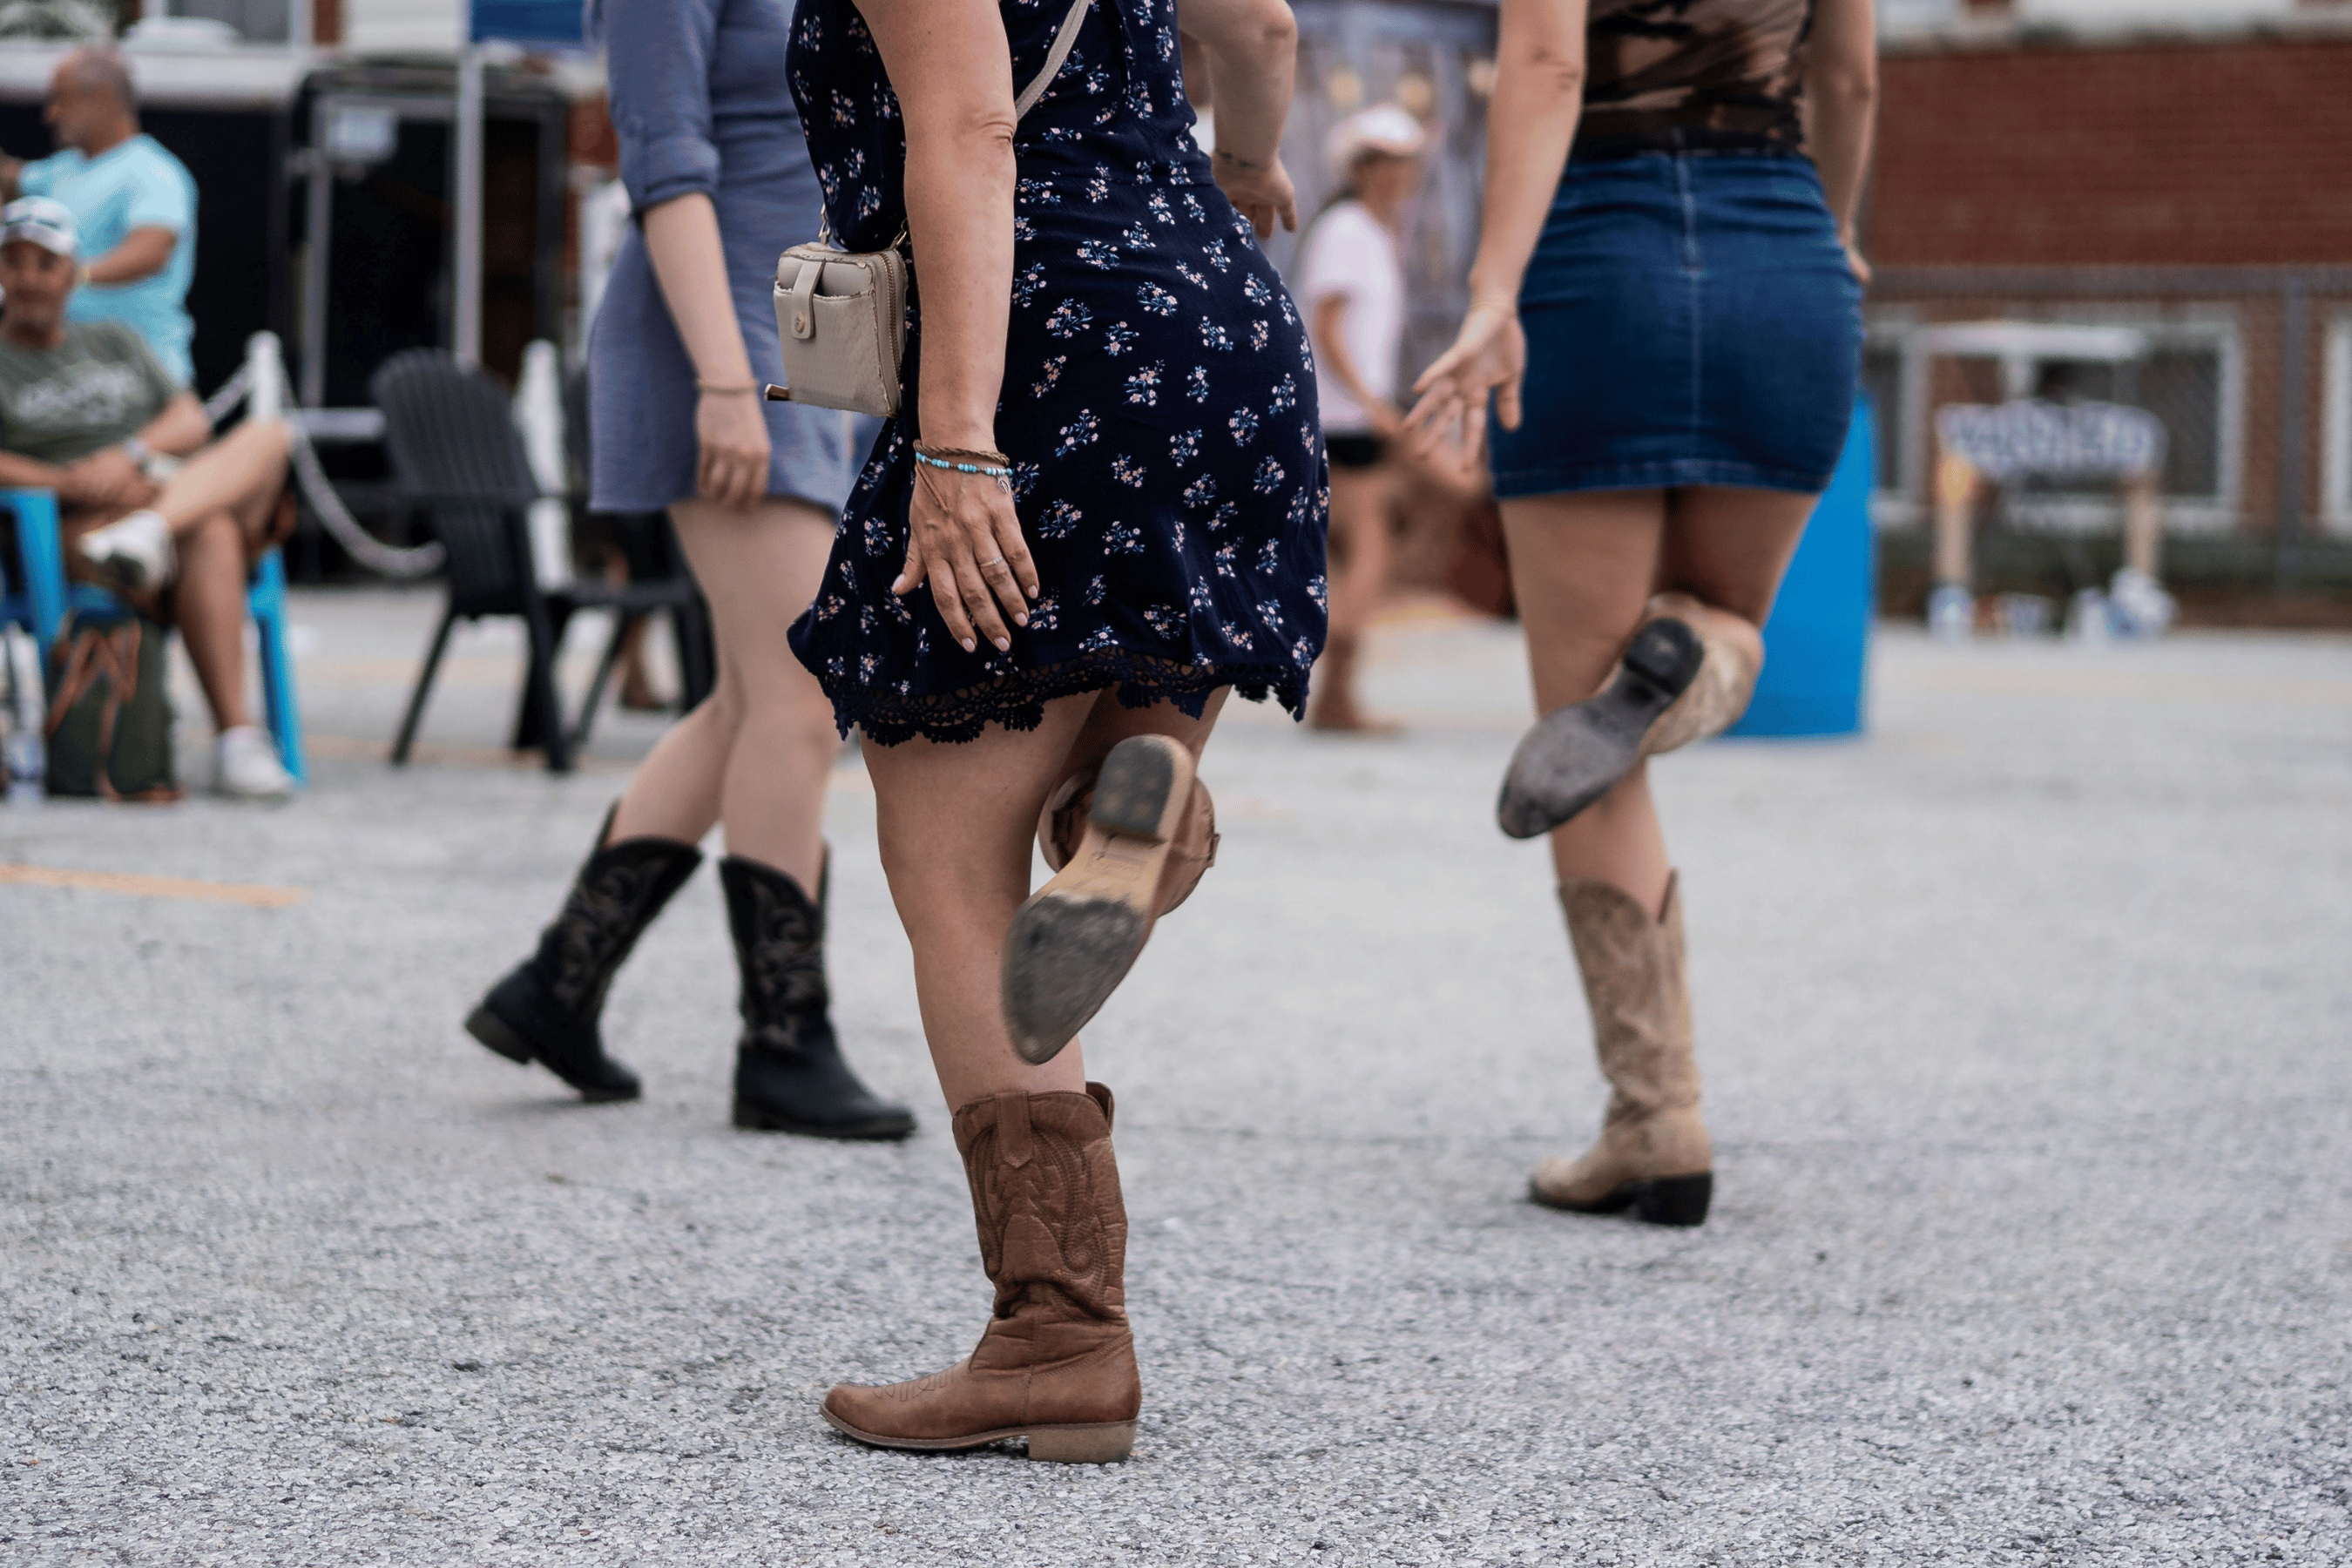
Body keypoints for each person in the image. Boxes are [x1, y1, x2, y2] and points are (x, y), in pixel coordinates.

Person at [784, 0, 1323, 1461]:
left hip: (1045, 348)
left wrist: (958, 443)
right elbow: (1261, 26)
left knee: (951, 863)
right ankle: (1132, 823)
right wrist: (1247, 168)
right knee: (1085, 782)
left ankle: (1059, 1335)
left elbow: (969, 124)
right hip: (1222, 326)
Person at [1407, 0, 1876, 1227]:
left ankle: (1657, 1116)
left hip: (1591, 264)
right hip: (1785, 260)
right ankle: (1693, 662)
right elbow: (1851, 82)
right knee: (1730, 618)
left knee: (1588, 739)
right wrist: (1833, 232)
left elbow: (1548, 60)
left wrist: (1492, 291)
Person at [461, 0, 916, 1143]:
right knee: (802, 695)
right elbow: (664, 163)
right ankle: (784, 1040)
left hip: (810, 332)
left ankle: (557, 986)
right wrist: (724, 379)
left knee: (753, 698)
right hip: (716, 339)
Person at [0, 197, 294, 799]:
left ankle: (154, 527)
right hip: (75, 521)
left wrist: (128, 457)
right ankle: (238, 737)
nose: (29, 279)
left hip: (157, 486)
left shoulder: (114, 340)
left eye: (45, 264)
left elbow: (191, 421)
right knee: (213, 529)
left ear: (71, 272)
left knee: (270, 436)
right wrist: (67, 481)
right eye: (14, 262)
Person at [1295, 104, 1423, 733]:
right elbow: (1327, 328)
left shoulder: (1369, 231)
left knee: (1360, 550)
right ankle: (1336, 696)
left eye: (1406, 162)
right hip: (1344, 419)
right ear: (1362, 168)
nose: (1399, 174)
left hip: (1353, 414)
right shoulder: (1346, 229)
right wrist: (1376, 408)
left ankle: (1336, 693)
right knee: (1368, 551)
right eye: (1387, 162)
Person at [0, 49, 198, 386]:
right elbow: (10, 179)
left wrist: (73, 276)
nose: (50, 114)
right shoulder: (61, 170)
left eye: (60, 99)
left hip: (143, 380)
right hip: (70, 378)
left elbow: (152, 252)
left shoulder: (154, 172)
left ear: (102, 99)